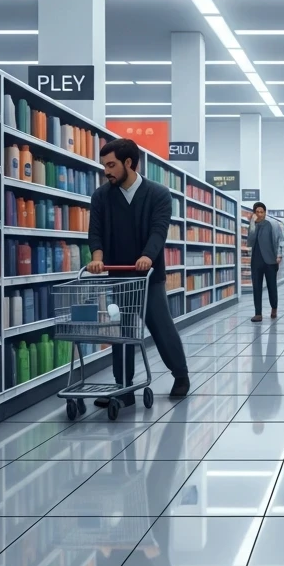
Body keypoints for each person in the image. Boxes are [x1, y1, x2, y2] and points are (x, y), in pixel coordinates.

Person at [87, 138, 189, 404]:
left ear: (128, 163)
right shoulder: (101, 197)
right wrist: (97, 258)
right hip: (119, 275)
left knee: (160, 326)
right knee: (124, 331)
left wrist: (147, 256)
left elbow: (159, 230)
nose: (106, 171)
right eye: (104, 165)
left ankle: (180, 374)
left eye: (111, 165)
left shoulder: (158, 194)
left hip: (149, 275)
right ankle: (124, 389)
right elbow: (95, 233)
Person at [247, 201, 283, 322]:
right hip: (256, 260)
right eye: (257, 212)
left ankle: (274, 308)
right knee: (256, 287)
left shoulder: (272, 224)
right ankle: (258, 313)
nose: (260, 214)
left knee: (272, 286)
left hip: (271, 260)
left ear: (265, 212)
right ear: (254, 213)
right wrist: (252, 223)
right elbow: (250, 242)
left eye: (262, 212)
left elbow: (280, 240)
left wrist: (279, 255)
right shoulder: (252, 225)